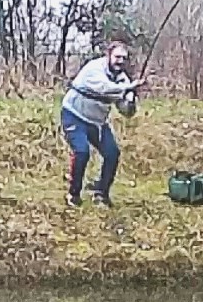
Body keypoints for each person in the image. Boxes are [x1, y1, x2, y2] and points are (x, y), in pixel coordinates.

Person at [60, 41, 146, 207]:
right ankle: (73, 194)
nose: (120, 61)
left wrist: (131, 100)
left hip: (97, 123)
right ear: (108, 55)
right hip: (74, 115)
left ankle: (101, 194)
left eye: (124, 58)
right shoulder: (94, 69)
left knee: (112, 154)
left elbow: (125, 112)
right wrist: (128, 87)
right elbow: (104, 88)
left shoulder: (122, 79)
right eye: (117, 57)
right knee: (82, 152)